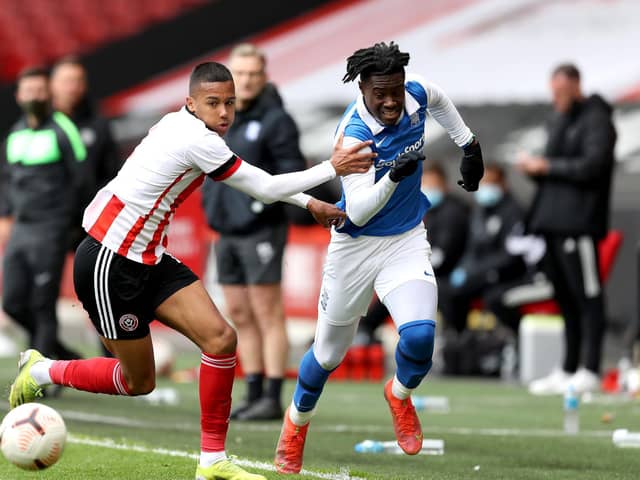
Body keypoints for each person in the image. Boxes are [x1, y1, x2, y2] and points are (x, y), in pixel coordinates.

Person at [8, 61, 374, 480]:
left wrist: (310, 204)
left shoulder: (178, 124)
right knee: (137, 381)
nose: (223, 113)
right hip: (110, 262)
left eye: (230, 104)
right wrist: (333, 169)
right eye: (213, 103)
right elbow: (265, 187)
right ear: (191, 103)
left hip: (148, 256)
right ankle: (41, 368)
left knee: (220, 340)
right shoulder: (198, 140)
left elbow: (263, 183)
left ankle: (212, 460)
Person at [274, 42, 484, 474]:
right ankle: (295, 425)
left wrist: (469, 144)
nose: (390, 101)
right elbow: (360, 209)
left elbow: (439, 98)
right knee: (328, 355)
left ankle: (400, 395)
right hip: (355, 248)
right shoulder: (353, 135)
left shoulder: (416, 93)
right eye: (380, 94)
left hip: (405, 239)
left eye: (396, 90)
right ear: (363, 89)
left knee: (422, 336)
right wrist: (393, 176)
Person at [201, 44, 304, 421]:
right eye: (238, 74)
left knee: (267, 312)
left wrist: (261, 205)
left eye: (251, 74)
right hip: (224, 230)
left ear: (263, 77)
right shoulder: (218, 117)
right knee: (240, 313)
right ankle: (254, 390)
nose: (244, 80)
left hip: (262, 229)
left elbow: (292, 172)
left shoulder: (277, 120)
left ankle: (274, 396)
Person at [519, 63, 616, 395]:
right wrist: (535, 168)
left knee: (588, 297)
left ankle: (590, 368)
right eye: (553, 92)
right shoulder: (558, 120)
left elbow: (593, 165)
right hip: (553, 224)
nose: (556, 99)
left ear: (576, 86)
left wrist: (547, 166)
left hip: (580, 224)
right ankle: (568, 367)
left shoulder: (597, 119)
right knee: (565, 299)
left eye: (561, 92)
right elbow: (554, 167)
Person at [0, 66, 87, 361]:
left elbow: (82, 179)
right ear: (18, 96)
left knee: (42, 303)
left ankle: (43, 374)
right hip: (21, 230)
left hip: (52, 228)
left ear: (49, 93)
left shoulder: (63, 128)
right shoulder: (15, 134)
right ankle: (61, 354)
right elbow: (7, 179)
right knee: (12, 303)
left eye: (39, 90)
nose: (34, 95)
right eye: (29, 90)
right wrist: (5, 214)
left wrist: (72, 223)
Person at [354, 162, 470, 345]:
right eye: (426, 184)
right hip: (430, 269)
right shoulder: (428, 209)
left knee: (405, 285)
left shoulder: (452, 213)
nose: (428, 189)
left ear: (443, 185)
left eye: (433, 185)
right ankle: (365, 328)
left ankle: (452, 343)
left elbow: (444, 253)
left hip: (446, 273)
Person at [438, 163, 527, 335]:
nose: (485, 188)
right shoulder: (480, 212)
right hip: (478, 272)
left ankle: (512, 339)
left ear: (503, 184)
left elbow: (510, 256)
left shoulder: (514, 212)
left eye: (491, 183)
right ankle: (458, 340)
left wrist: (478, 272)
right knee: (446, 291)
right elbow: (472, 248)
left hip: (505, 275)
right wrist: (463, 269)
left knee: (492, 298)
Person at [50, 55, 121, 251]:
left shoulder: (98, 124)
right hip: (50, 220)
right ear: (52, 85)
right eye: (66, 81)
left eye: (78, 81)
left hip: (91, 219)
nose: (72, 87)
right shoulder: (40, 126)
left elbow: (112, 170)